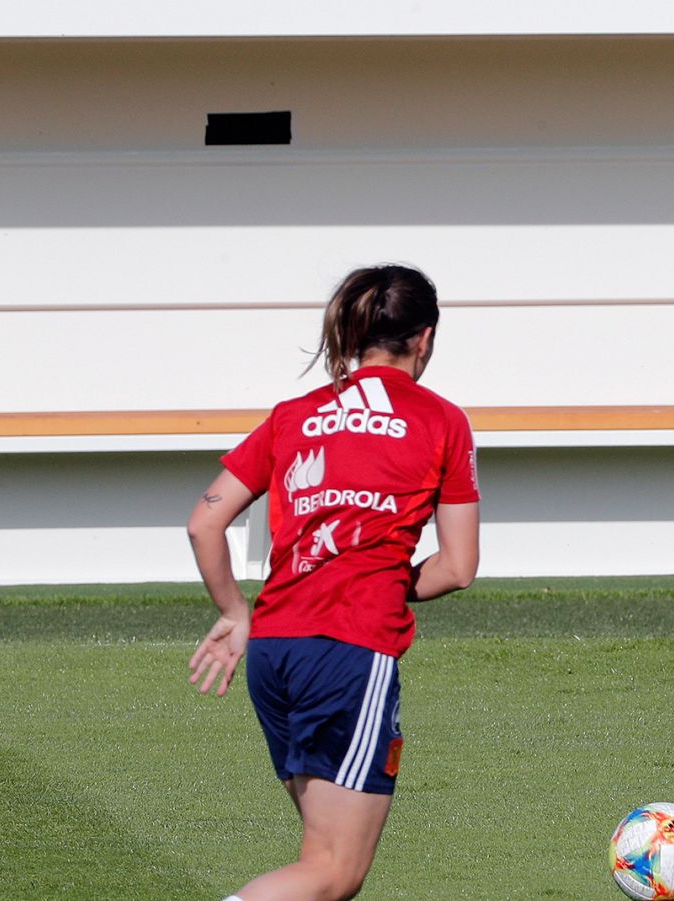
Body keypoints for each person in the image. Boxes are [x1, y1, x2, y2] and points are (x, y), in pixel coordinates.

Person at [187, 264, 480, 899]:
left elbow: (204, 522)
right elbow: (457, 567)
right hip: (347, 651)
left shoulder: (293, 415)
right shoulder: (441, 421)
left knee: (318, 859)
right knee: (334, 871)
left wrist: (235, 612)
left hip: (273, 650)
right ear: (425, 338)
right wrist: (376, 575)